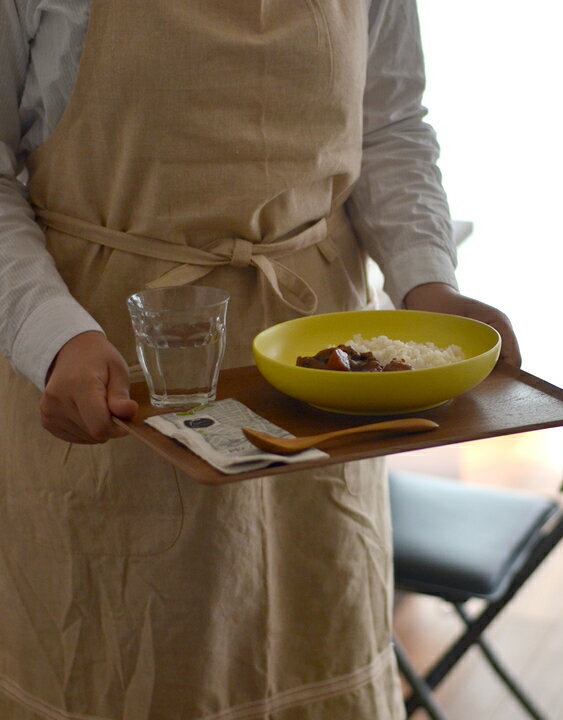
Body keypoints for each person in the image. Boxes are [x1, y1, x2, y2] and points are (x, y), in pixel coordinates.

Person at [0, 0, 521, 718]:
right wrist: (54, 335)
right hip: (112, 367)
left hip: (324, 386)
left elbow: (390, 127)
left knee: (310, 647)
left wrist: (428, 284)